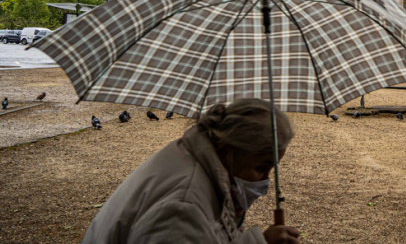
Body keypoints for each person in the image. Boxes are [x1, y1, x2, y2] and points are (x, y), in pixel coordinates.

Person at [82, 98, 300, 244]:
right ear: (228, 149)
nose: (265, 180)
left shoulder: (193, 154)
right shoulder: (182, 208)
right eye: (261, 167)